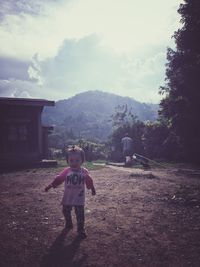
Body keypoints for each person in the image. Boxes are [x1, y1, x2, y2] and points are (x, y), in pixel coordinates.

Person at [45, 145, 96, 239]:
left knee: (80, 214)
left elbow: (89, 180)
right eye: (71, 160)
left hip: (79, 198)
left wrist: (92, 188)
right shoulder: (67, 171)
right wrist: (50, 186)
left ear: (82, 160)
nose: (74, 163)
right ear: (67, 160)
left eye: (77, 160)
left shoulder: (83, 171)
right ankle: (69, 224)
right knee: (65, 211)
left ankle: (81, 229)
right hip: (68, 197)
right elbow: (59, 179)